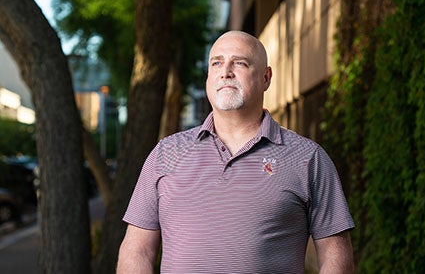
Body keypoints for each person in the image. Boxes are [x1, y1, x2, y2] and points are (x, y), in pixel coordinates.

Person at [117, 30, 355, 273]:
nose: (225, 72)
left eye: (239, 63)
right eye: (217, 63)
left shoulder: (307, 158)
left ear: (266, 78)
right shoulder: (165, 154)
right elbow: (137, 250)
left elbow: (337, 256)